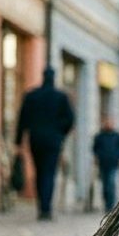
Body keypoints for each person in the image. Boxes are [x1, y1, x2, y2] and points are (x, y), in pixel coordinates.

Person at [15, 67, 75, 221]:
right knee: (49, 173)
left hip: (35, 139)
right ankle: (46, 209)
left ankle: (42, 206)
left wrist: (18, 140)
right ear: (53, 78)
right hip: (53, 140)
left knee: (39, 172)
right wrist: (61, 132)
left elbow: (22, 119)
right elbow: (70, 119)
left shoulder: (32, 96)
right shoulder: (60, 97)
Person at [92, 117, 119, 212]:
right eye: (106, 122)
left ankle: (110, 205)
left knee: (111, 183)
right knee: (105, 185)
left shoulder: (118, 136)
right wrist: (98, 157)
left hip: (114, 164)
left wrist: (118, 156)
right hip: (103, 164)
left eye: (110, 122)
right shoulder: (99, 136)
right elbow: (95, 148)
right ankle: (107, 203)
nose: (108, 124)